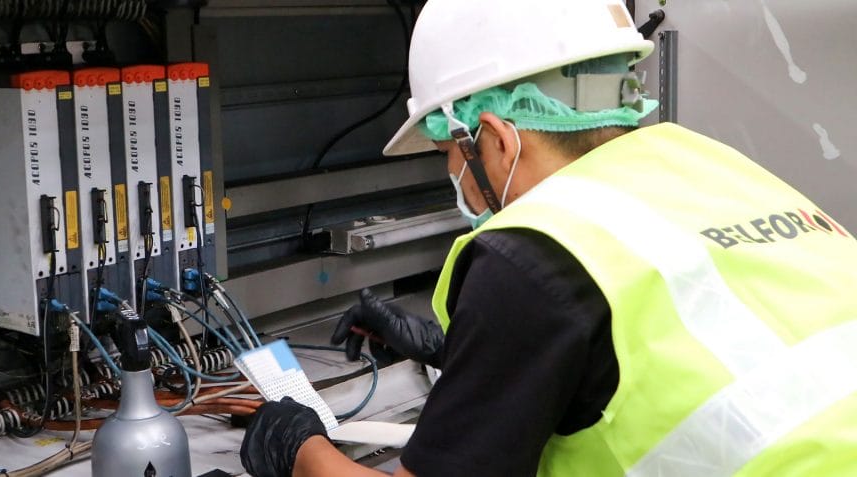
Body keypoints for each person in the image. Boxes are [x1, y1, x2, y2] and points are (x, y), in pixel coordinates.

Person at [239, 0, 857, 476]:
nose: (454, 176)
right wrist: (451, 351)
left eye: (447, 154)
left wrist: (300, 447)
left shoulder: (531, 250)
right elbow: (686, 346)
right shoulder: (706, 161)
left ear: (496, 139)